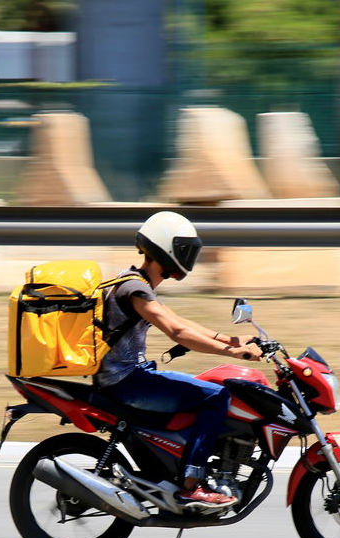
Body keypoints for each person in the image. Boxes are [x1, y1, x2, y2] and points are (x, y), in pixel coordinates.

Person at [96, 211, 263, 508]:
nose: (189, 257)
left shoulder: (138, 283)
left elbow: (178, 320)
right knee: (216, 397)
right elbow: (177, 331)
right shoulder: (134, 289)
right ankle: (191, 484)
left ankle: (178, 462)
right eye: (185, 249)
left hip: (130, 375)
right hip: (125, 381)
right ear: (167, 249)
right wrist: (232, 352)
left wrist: (231, 340)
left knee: (206, 387)